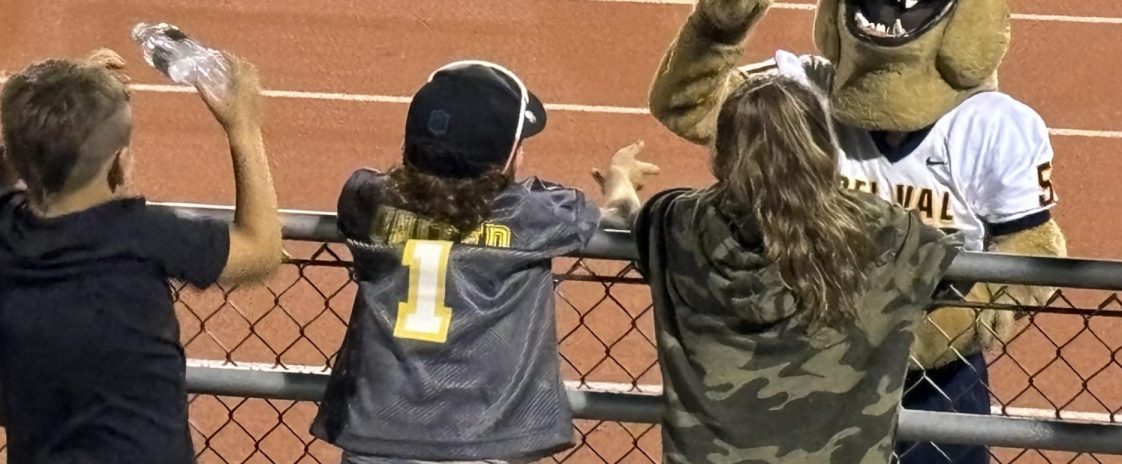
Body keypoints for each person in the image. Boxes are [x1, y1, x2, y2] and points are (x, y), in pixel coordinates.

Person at [311, 59, 657, 464]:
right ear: (508, 159)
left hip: (376, 434)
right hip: (483, 439)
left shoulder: (366, 202)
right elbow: (606, 212)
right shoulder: (535, 216)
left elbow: (373, 185)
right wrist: (619, 182)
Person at [618, 73, 961, 464]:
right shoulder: (884, 234)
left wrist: (620, 183)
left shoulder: (677, 224)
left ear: (724, 154)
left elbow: (633, 216)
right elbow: (956, 272)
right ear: (821, 146)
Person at [0, 47, 282, 464]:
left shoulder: (7, 232)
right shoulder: (144, 236)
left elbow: (13, 164)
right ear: (119, 157)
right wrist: (244, 128)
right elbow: (261, 249)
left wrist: (66, 102)